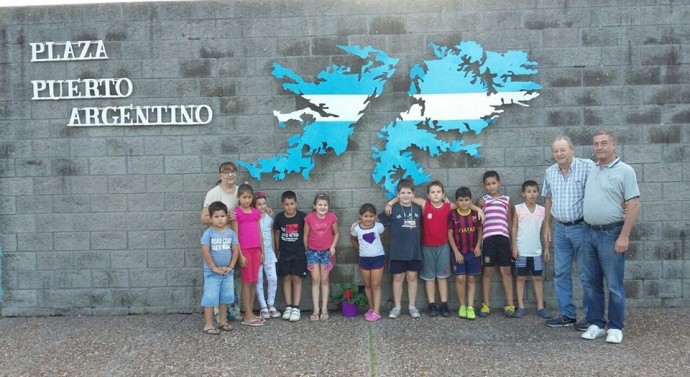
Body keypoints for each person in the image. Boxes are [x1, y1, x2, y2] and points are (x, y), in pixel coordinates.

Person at [384, 181, 485, 317]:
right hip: (426, 246)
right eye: (433, 192)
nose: (436, 194)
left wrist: (477, 209)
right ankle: (432, 305)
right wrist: (390, 203)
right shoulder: (424, 204)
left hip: (443, 246)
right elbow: (406, 197)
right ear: (428, 195)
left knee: (442, 277)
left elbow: (463, 204)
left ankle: (444, 304)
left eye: (438, 192)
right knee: (429, 278)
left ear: (443, 194)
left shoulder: (448, 206)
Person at [580, 129, 640, 344]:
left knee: (614, 284)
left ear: (614, 145)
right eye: (596, 144)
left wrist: (624, 236)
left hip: (611, 233)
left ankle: (615, 327)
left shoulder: (625, 171)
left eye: (604, 143)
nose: (599, 147)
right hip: (589, 233)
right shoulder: (591, 169)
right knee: (591, 282)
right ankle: (596, 323)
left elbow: (633, 204)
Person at [542, 136, 595, 330]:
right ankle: (567, 314)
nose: (559, 154)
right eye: (555, 151)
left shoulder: (587, 166)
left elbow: (603, 186)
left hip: (582, 227)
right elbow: (548, 199)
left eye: (563, 150)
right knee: (561, 273)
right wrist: (547, 225)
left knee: (586, 274)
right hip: (560, 229)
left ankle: (592, 317)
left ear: (572, 149)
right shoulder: (550, 172)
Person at [379, 179, 423, 319]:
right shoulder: (392, 209)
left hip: (414, 250)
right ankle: (397, 307)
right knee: (398, 278)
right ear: (398, 194)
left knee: (412, 277)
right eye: (402, 192)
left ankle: (412, 306)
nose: (405, 195)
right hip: (397, 251)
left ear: (413, 194)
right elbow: (375, 221)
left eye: (409, 192)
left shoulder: (418, 209)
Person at [510, 180, 551, 319]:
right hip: (521, 251)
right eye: (529, 192)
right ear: (523, 194)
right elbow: (514, 228)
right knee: (520, 278)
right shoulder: (518, 208)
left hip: (536, 251)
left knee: (537, 278)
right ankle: (520, 306)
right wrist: (514, 246)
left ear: (538, 193)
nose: (532, 194)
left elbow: (545, 230)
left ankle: (540, 307)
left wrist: (546, 248)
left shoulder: (542, 210)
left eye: (534, 191)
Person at [477, 170, 515, 317]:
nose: (491, 186)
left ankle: (510, 305)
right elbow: (478, 223)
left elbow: (509, 222)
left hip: (503, 239)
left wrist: (512, 244)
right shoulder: (482, 201)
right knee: (487, 272)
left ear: (499, 183)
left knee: (506, 271)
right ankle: (486, 305)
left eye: (494, 183)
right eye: (488, 184)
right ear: (484, 185)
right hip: (488, 240)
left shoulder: (506, 200)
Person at [199, 201, 239, 335]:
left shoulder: (231, 233)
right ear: (211, 218)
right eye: (216, 217)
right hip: (212, 273)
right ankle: (208, 325)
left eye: (222, 216)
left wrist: (231, 266)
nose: (220, 219)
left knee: (225, 298)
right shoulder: (208, 233)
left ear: (226, 217)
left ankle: (223, 322)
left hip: (227, 272)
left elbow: (235, 250)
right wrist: (214, 268)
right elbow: (205, 252)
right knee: (210, 298)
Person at [231, 184, 265, 327]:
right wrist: (239, 255)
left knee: (253, 281)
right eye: (244, 197)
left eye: (249, 197)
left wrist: (262, 251)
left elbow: (259, 233)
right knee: (246, 282)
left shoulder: (255, 212)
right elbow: (235, 236)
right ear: (238, 197)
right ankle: (247, 315)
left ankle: (250, 313)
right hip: (244, 251)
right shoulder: (236, 213)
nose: (246, 200)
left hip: (256, 250)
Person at [447, 187, 482, 320]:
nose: (464, 203)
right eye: (461, 200)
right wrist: (456, 252)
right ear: (457, 201)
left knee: (471, 279)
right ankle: (462, 306)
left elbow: (479, 230)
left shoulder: (474, 214)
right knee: (460, 278)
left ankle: (470, 307)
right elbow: (449, 234)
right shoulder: (453, 214)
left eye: (467, 200)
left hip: (472, 252)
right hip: (459, 253)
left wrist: (478, 246)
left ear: (470, 200)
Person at [304, 193, 340, 321]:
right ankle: (316, 309)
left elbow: (336, 233)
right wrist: (306, 250)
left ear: (328, 206)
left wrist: (333, 246)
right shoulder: (309, 218)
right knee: (315, 280)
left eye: (325, 205)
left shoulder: (331, 217)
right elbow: (305, 236)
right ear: (315, 206)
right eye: (320, 204)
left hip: (326, 253)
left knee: (325, 281)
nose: (322, 207)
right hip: (312, 252)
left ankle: (324, 308)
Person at [274, 190, 308, 322]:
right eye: (286, 204)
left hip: (299, 252)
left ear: (296, 203)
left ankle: (296, 307)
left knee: (297, 278)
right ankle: (288, 306)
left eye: (292, 203)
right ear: (283, 204)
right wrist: (277, 249)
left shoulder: (302, 217)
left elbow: (306, 234)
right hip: (284, 252)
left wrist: (306, 250)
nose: (289, 206)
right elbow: (276, 234)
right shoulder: (279, 218)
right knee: (286, 278)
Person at [351, 203, 386, 322]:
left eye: (371, 216)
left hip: (378, 258)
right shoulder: (356, 228)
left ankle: (377, 311)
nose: (368, 219)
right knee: (368, 285)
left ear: (375, 216)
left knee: (375, 285)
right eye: (365, 216)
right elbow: (353, 240)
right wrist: (360, 249)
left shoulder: (379, 226)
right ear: (360, 216)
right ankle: (371, 308)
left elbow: (382, 238)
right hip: (364, 259)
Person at [254, 192, 281, 320]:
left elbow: (272, 233)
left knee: (273, 279)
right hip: (257, 253)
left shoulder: (270, 216)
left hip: (269, 252)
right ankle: (263, 306)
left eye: (264, 203)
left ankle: (271, 304)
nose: (262, 206)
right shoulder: (253, 218)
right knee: (259, 280)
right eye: (259, 204)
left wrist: (275, 250)